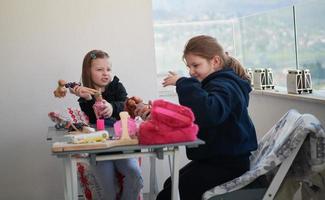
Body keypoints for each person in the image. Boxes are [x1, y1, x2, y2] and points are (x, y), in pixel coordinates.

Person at [158, 35, 258, 200]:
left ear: (215, 62)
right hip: (216, 160)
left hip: (228, 165)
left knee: (168, 195)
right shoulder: (217, 84)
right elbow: (196, 113)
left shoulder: (225, 86)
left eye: (195, 65)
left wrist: (183, 82)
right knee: (171, 184)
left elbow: (208, 112)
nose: (191, 71)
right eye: (188, 66)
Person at [71, 49, 143, 200]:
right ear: (88, 72)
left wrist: (112, 107)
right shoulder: (85, 95)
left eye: (108, 69)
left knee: (135, 176)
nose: (106, 73)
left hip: (121, 146)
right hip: (100, 149)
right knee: (107, 191)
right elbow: (91, 117)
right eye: (99, 69)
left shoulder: (117, 86)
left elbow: (126, 105)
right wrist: (89, 99)